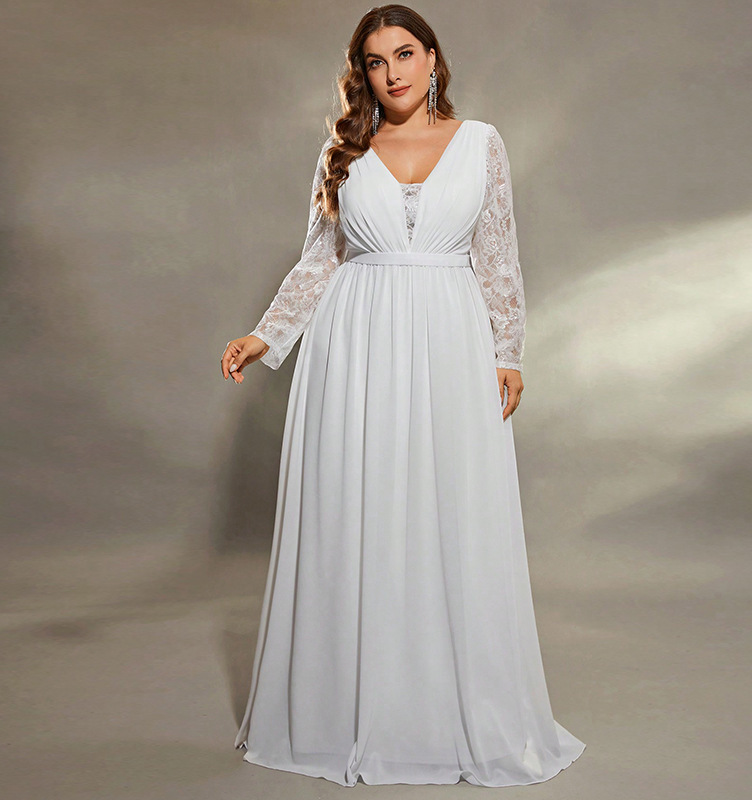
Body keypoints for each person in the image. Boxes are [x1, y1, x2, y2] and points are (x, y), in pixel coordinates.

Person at [220, 4, 586, 787]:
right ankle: (354, 706)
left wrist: (508, 352)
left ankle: (444, 708)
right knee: (363, 507)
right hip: (355, 346)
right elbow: (320, 260)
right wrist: (266, 335)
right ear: (362, 72)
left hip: (451, 340)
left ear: (433, 58)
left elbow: (498, 255)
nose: (393, 72)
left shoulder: (481, 142)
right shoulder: (344, 152)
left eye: (406, 53)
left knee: (449, 510)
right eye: (376, 60)